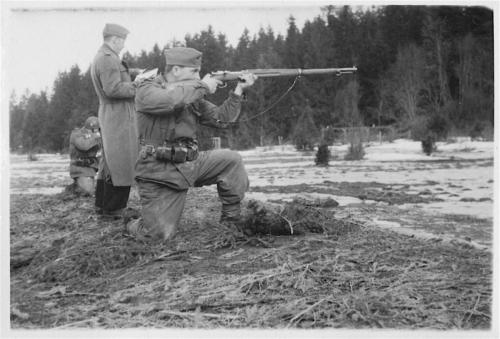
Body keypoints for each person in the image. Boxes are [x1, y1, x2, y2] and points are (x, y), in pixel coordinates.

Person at [126, 47, 257, 241]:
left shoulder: (192, 93)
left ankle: (231, 221)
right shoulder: (147, 89)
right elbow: (169, 100)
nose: (198, 76)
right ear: (176, 70)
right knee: (158, 235)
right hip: (159, 171)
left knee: (231, 160)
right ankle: (132, 224)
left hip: (190, 163)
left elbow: (222, 119)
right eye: (194, 72)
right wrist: (203, 86)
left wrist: (238, 91)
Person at [90, 23, 141, 218]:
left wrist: (133, 73)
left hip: (112, 113)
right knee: (122, 160)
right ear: (115, 40)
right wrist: (137, 86)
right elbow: (113, 89)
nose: (123, 46)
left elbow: (114, 81)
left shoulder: (104, 57)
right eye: (122, 42)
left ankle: (104, 204)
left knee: (110, 163)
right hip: (118, 114)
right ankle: (114, 208)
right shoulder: (108, 59)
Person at [68, 116, 101, 194]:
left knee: (92, 192)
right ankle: (73, 189)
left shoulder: (97, 137)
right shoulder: (76, 134)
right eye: (93, 130)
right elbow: (83, 146)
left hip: (91, 169)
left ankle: (77, 188)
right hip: (79, 169)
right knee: (87, 192)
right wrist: (95, 137)